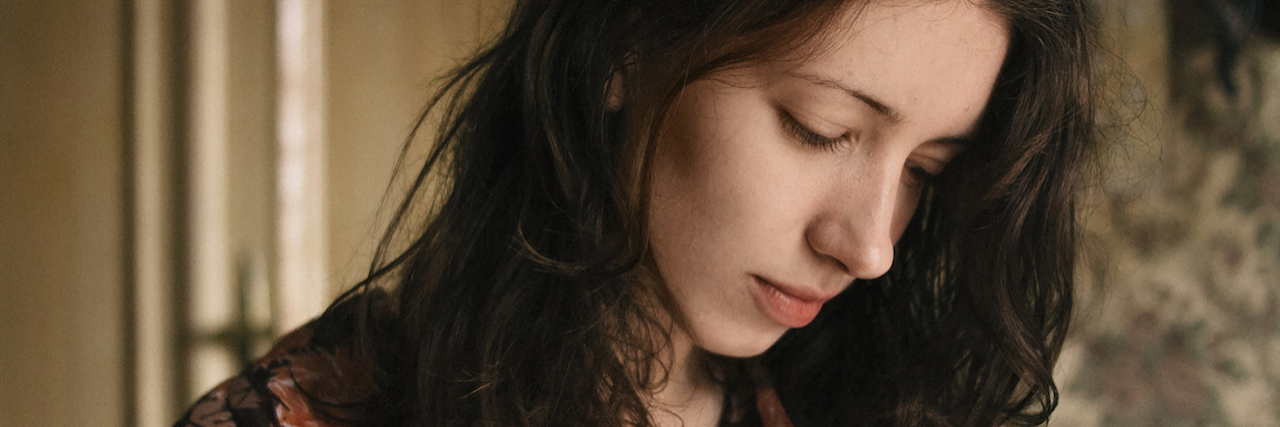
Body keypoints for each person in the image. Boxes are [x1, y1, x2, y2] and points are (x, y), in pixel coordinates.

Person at [175, 0, 1097, 425]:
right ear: (625, 41)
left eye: (925, 172)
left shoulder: (868, 405)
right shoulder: (293, 419)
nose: (869, 246)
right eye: (820, 128)